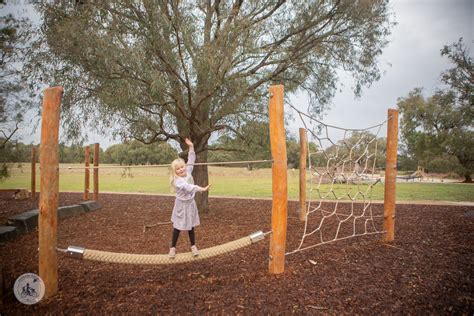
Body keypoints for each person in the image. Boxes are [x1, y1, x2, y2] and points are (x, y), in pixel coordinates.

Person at [168, 138, 211, 258]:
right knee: (177, 227)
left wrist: (191, 147)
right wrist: (201, 189)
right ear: (175, 172)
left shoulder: (189, 171)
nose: (181, 169)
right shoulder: (178, 181)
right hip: (181, 205)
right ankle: (172, 248)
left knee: (191, 226)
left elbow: (191, 159)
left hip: (190, 204)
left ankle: (193, 246)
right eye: (178, 169)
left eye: (182, 167)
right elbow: (188, 187)